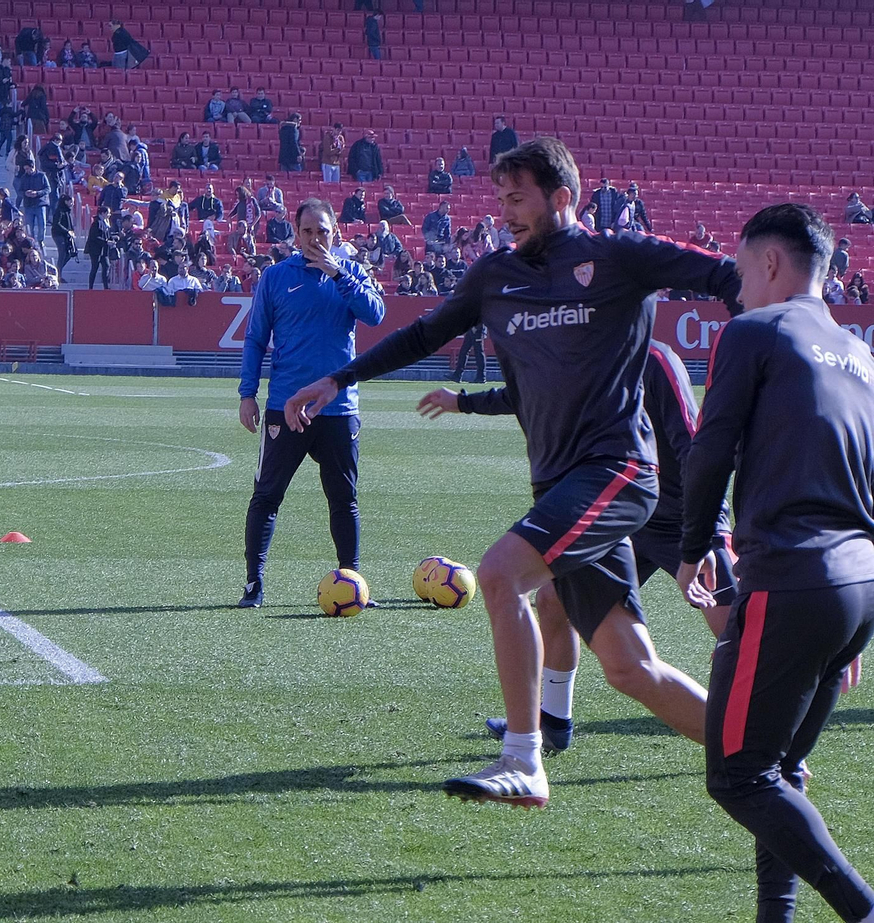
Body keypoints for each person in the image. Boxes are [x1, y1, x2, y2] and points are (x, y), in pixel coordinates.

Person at [283, 138, 742, 807]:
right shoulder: (495, 275)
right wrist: (339, 378)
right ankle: (757, 753)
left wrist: (769, 353)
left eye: (518, 198)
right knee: (630, 668)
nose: (505, 212)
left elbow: (730, 277)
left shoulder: (618, 255)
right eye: (500, 199)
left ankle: (524, 760)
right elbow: (425, 334)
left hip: (617, 471)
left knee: (499, 574)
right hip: (559, 484)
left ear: (562, 198)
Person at [678, 204, 874, 923]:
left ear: (769, 262)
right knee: (780, 768)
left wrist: (692, 548)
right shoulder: (861, 355)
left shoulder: (753, 331)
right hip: (858, 583)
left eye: (739, 269)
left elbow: (710, 450)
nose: (736, 288)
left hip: (793, 578)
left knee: (739, 775)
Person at [425, 336, 742, 752]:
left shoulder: (655, 359)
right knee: (553, 601)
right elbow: (532, 394)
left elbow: (694, 447)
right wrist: (463, 402)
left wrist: (709, 532)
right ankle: (554, 720)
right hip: (617, 514)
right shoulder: (581, 352)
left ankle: (764, 744)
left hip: (684, 519)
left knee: (738, 630)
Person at [236, 198, 387, 608]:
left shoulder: (351, 272)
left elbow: (375, 314)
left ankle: (353, 581)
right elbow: (255, 339)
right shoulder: (276, 277)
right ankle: (253, 584)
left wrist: (339, 274)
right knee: (267, 496)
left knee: (344, 499)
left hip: (338, 409)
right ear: (295, 233)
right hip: (285, 407)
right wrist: (247, 394)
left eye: (322, 231)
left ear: (335, 232)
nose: (315, 238)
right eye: (307, 231)